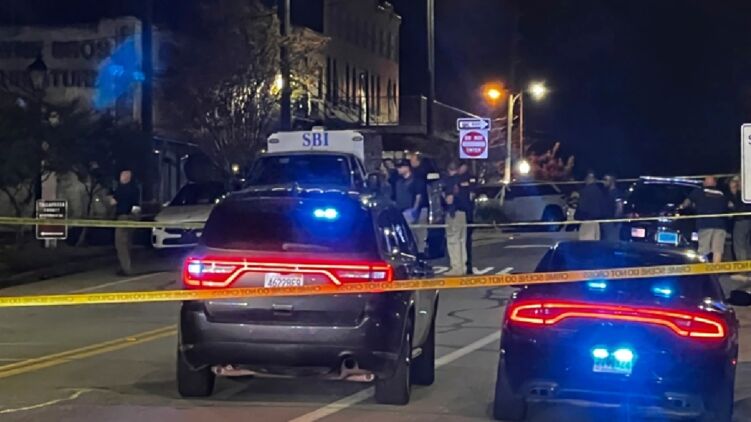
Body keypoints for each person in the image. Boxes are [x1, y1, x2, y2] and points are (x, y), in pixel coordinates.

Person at [679, 176, 728, 263]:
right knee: (717, 250)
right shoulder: (721, 193)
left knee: (704, 250)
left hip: (705, 224)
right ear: (715, 183)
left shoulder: (699, 191)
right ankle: (716, 268)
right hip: (720, 224)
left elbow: (687, 202)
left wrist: (681, 207)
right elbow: (729, 205)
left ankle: (705, 268)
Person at [394, 160, 428, 253]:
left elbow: (419, 196)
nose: (398, 169)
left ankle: (420, 254)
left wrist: (415, 210)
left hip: (416, 211)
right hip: (403, 212)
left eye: (400, 167)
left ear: (407, 168)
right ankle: (412, 253)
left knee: (420, 235)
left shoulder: (417, 181)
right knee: (408, 235)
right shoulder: (399, 182)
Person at [111, 169, 141, 275]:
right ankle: (126, 266)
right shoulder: (135, 189)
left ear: (125, 177)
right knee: (128, 242)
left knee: (120, 244)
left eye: (122, 175)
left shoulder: (120, 189)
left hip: (123, 218)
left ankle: (126, 268)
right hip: (132, 218)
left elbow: (112, 202)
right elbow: (137, 206)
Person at [441, 162, 467, 275]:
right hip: (463, 212)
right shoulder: (463, 179)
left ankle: (456, 268)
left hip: (453, 213)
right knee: (461, 240)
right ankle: (462, 266)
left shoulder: (450, 181)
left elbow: (449, 199)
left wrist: (444, 197)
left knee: (453, 240)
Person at [727, 176, 751, 278]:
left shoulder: (740, 195)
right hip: (748, 220)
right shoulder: (747, 195)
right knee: (746, 245)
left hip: (741, 220)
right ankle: (748, 269)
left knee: (739, 245)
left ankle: (743, 271)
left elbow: (735, 207)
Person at [575, 171, 608, 240]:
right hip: (597, 223)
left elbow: (582, 207)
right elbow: (604, 207)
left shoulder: (585, 191)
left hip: (587, 222)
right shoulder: (601, 191)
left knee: (586, 243)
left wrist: (577, 216)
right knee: (596, 241)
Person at [457, 162, 476, 274]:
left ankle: (468, 265)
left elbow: (473, 192)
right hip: (460, 212)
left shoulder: (470, 178)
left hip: (467, 213)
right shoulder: (455, 179)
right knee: (461, 240)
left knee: (466, 240)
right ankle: (463, 265)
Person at [601, 173, 623, 241]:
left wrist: (615, 220)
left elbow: (619, 207)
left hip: (612, 223)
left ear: (612, 180)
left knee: (612, 241)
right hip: (607, 222)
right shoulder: (606, 193)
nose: (603, 182)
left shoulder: (616, 193)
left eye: (606, 180)